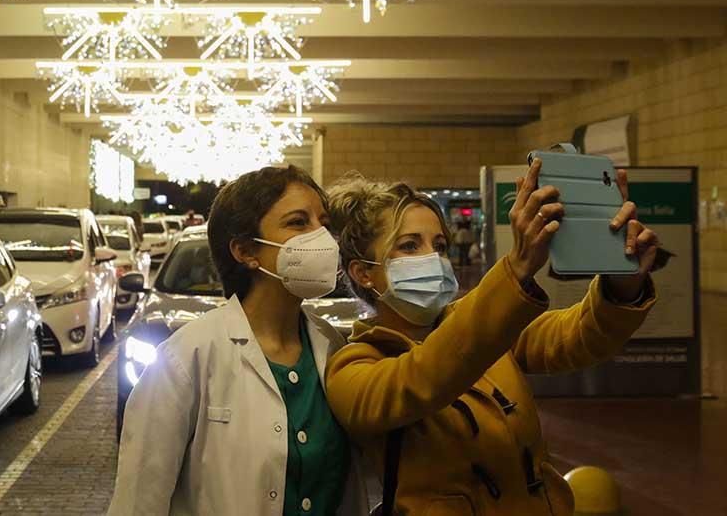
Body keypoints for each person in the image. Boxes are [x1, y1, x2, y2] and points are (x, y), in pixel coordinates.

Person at [324, 160, 659, 516]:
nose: (433, 259)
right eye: (409, 246)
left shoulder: (490, 326)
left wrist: (623, 281)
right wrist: (515, 268)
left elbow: (577, 337)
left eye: (438, 245)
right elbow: (422, 377)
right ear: (363, 274)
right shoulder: (353, 367)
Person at [109, 165, 367, 516]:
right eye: (298, 223)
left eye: (323, 222)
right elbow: (138, 502)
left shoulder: (332, 347)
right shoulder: (186, 359)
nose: (322, 237)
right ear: (245, 251)